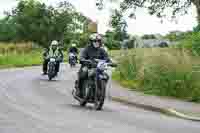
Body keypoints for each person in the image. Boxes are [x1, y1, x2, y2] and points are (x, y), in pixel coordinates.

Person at [74, 33, 112, 98]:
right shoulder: (87, 48)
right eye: (95, 41)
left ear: (100, 42)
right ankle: (79, 90)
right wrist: (82, 59)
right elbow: (82, 56)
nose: (96, 43)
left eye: (98, 41)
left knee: (106, 76)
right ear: (91, 42)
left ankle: (101, 91)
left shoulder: (102, 50)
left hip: (98, 68)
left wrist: (111, 63)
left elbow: (107, 58)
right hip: (87, 66)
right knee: (83, 73)